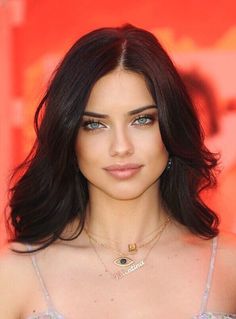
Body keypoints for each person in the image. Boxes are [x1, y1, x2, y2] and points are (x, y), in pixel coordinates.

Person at [0, 24, 236, 319]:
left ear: (171, 126)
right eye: (95, 124)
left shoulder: (228, 264)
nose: (121, 147)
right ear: (69, 137)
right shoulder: (15, 273)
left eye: (142, 120)